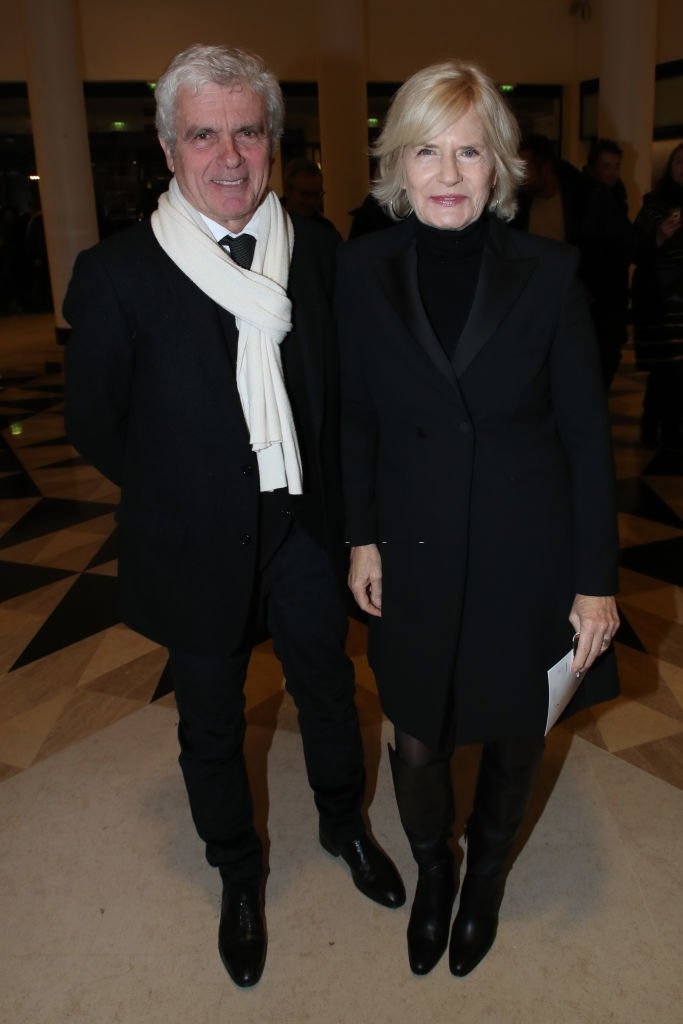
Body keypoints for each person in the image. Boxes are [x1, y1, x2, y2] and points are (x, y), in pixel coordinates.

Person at [64, 43, 404, 990]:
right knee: (210, 722)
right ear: (169, 150)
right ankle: (240, 875)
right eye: (202, 134)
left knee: (329, 690)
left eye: (246, 132)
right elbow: (93, 421)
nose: (227, 156)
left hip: (301, 523)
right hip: (192, 537)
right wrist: (183, 490)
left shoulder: (319, 252)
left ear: (272, 142)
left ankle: (343, 825)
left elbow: (345, 394)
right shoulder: (117, 273)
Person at [336, 60, 620, 979]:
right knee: (414, 733)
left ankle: (486, 876)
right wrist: (361, 533)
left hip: (524, 552)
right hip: (412, 549)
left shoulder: (548, 273)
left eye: (468, 151)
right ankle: (433, 869)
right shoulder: (364, 268)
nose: (447, 173)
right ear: (398, 165)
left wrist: (596, 582)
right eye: (427, 150)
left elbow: (585, 439)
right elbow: (357, 418)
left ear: (498, 166)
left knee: (512, 726)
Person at [516, 134, 634, 388]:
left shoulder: (588, 198)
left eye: (525, 167)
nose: (519, 174)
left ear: (545, 166)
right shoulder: (519, 202)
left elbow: (614, 253)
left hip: (584, 311)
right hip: (536, 313)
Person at [631, 142, 683, 449]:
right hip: (661, 302)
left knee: (673, 370)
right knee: (668, 368)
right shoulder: (653, 205)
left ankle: (661, 426)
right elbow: (637, 249)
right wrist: (660, 235)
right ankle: (662, 430)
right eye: (679, 163)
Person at [281, 156, 338, 235]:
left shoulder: (326, 230)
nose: (313, 201)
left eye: (317, 194)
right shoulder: (270, 222)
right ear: (288, 190)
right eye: (306, 194)